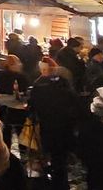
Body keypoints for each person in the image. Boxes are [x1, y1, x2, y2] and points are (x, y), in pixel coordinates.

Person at [28, 58, 82, 189]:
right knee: (60, 159)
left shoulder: (38, 87)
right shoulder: (66, 87)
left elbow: (32, 107)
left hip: (48, 128)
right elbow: (76, 106)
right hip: (65, 129)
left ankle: (51, 180)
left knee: (51, 155)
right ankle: (61, 183)